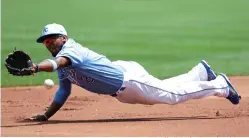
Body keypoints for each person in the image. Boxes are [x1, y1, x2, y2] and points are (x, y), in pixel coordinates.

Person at [27, 23, 241, 121]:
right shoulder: (62, 60)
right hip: (122, 74)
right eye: (45, 41)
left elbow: (57, 63)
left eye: (52, 38)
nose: (48, 42)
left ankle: (220, 85)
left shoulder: (70, 50)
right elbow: (63, 91)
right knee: (164, 87)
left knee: (171, 96)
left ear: (63, 38)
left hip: (129, 82)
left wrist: (36, 67)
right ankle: (201, 72)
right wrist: (46, 115)